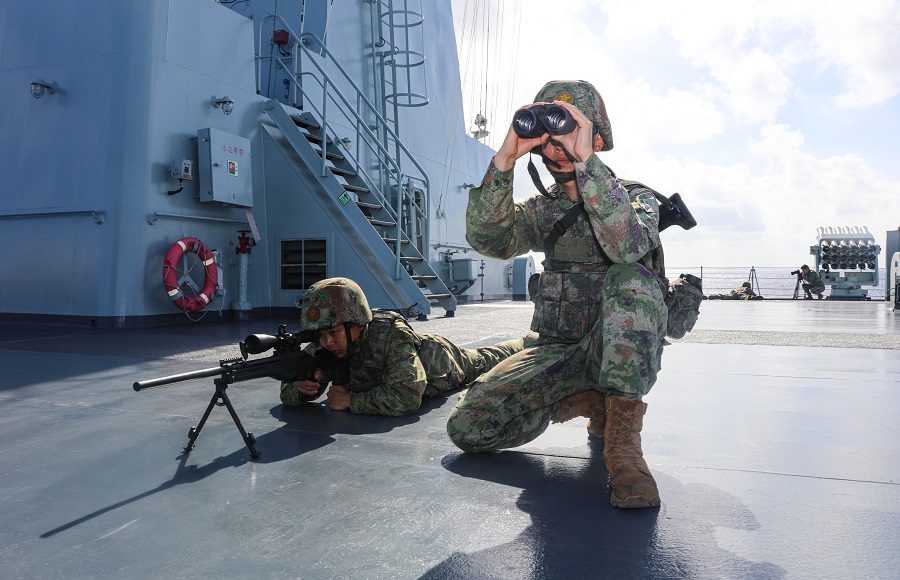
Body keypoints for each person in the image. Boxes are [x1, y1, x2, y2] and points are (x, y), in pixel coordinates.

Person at [447, 80, 669, 509]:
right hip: (559, 351)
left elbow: (626, 246)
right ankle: (585, 397)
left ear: (597, 138)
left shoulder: (636, 200)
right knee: (469, 429)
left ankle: (623, 445)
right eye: (547, 138)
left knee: (631, 277)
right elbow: (489, 240)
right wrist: (506, 158)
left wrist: (586, 161)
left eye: (570, 133)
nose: (557, 147)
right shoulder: (541, 210)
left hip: (614, 351)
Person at [280, 277, 524, 416]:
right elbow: (287, 392)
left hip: (443, 364)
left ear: (359, 325)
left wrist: (350, 401)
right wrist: (303, 389)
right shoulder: (325, 344)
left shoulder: (391, 333)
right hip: (403, 372)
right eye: (321, 335)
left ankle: (528, 341)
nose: (327, 342)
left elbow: (406, 398)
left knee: (492, 357)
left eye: (333, 333)